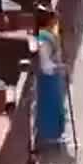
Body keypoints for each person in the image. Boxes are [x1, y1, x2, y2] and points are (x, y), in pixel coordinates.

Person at [32, 8, 67, 150]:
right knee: (49, 106)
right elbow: (45, 64)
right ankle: (48, 136)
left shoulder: (48, 35)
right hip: (47, 79)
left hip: (53, 77)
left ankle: (54, 134)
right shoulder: (43, 40)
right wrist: (60, 68)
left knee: (55, 104)